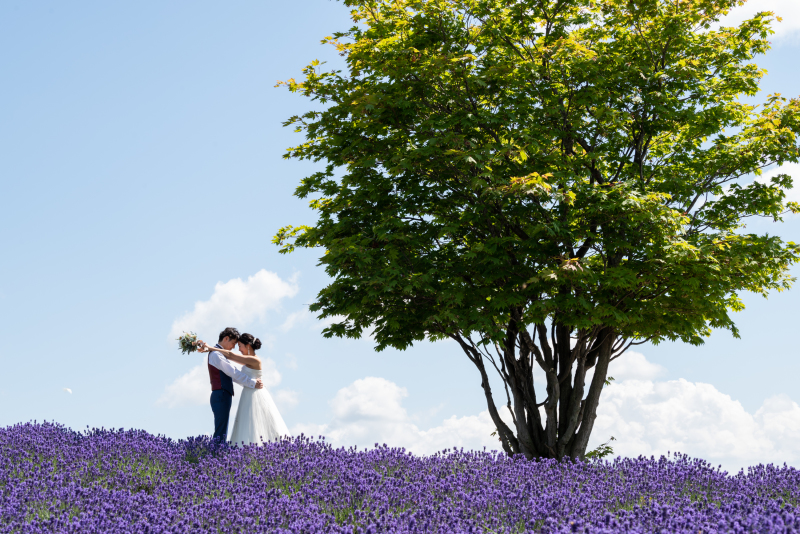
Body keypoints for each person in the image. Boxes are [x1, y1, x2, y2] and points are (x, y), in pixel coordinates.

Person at [198, 332, 289, 446]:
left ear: (248, 346)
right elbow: (230, 361)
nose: (238, 349)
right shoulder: (247, 359)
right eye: (236, 344)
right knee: (248, 423)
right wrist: (209, 349)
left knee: (257, 422)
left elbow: (230, 355)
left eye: (240, 345)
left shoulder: (255, 360)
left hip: (255, 393)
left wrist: (210, 348)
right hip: (248, 392)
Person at [205, 327, 264, 442]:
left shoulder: (218, 353)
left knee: (222, 429)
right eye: (233, 343)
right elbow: (232, 372)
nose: (233, 347)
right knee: (221, 430)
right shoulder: (217, 354)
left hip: (223, 393)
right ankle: (216, 456)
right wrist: (252, 382)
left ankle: (217, 455)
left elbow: (233, 372)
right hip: (221, 393)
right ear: (226, 338)